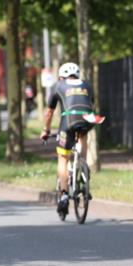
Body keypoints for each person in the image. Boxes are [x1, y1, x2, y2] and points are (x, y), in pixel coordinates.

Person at [40, 62, 95, 216]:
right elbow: (91, 104)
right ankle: (83, 168)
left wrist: (46, 130)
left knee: (63, 158)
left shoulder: (58, 85)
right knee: (82, 135)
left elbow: (49, 113)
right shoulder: (87, 85)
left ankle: (64, 195)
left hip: (68, 122)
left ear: (61, 76)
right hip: (86, 119)